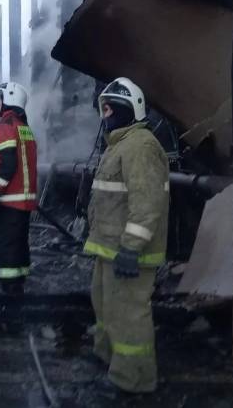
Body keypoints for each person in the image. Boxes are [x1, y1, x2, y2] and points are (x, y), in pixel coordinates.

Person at [85, 77, 169, 394]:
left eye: (108, 108)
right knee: (106, 307)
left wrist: (132, 248)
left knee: (129, 315)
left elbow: (147, 204)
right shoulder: (120, 145)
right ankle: (109, 359)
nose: (103, 115)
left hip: (128, 251)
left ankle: (133, 380)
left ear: (125, 109)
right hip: (109, 248)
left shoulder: (141, 146)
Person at [0, 82, 38, 297]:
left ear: (10, 99)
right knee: (19, 246)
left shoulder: (5, 125)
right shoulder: (24, 127)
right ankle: (19, 285)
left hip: (9, 200)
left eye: (0, 98)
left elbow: (6, 163)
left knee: (6, 249)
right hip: (23, 201)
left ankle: (10, 296)